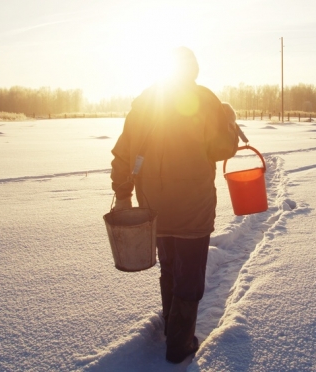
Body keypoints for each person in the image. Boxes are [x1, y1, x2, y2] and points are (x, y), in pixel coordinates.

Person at [110, 47, 238, 364]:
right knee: (190, 275)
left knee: (169, 267)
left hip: (153, 208)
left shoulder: (144, 103)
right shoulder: (205, 100)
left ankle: (171, 327)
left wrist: (124, 194)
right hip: (193, 207)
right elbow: (222, 149)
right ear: (192, 69)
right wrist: (229, 122)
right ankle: (179, 344)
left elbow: (122, 155)